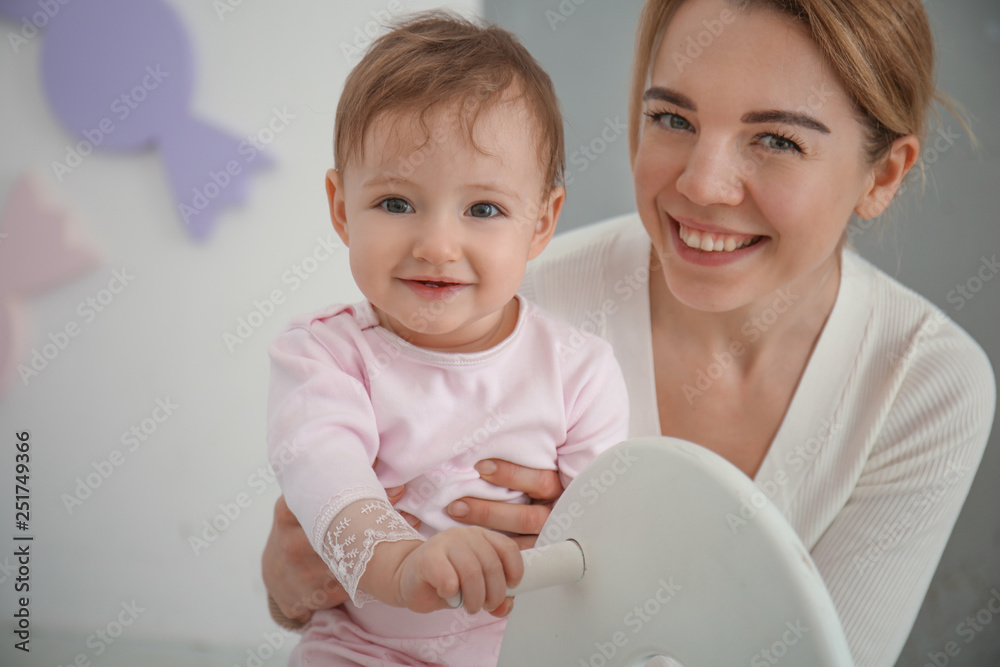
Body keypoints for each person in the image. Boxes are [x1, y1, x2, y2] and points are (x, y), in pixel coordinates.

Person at [263, 1, 996, 665]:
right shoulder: (504, 298)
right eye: (673, 119)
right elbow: (326, 520)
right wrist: (296, 580)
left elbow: (823, 654)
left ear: (884, 173)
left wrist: (603, 564)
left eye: (775, 139)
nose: (703, 185)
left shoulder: (926, 386)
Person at [266, 13, 631, 667]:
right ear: (342, 207)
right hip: (363, 646)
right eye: (397, 203)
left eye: (483, 209)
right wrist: (406, 565)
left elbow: (603, 549)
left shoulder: (581, 373)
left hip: (523, 651)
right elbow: (327, 478)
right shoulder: (323, 355)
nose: (436, 246)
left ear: (541, 222)